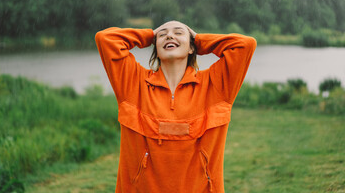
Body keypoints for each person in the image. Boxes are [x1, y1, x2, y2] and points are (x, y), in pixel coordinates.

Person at [95, 20, 256, 193]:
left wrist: (199, 40)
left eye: (179, 32)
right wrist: (149, 36)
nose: (169, 35)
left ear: (192, 48)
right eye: (162, 34)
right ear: (155, 47)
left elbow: (245, 45)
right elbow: (105, 39)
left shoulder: (215, 85)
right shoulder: (133, 83)